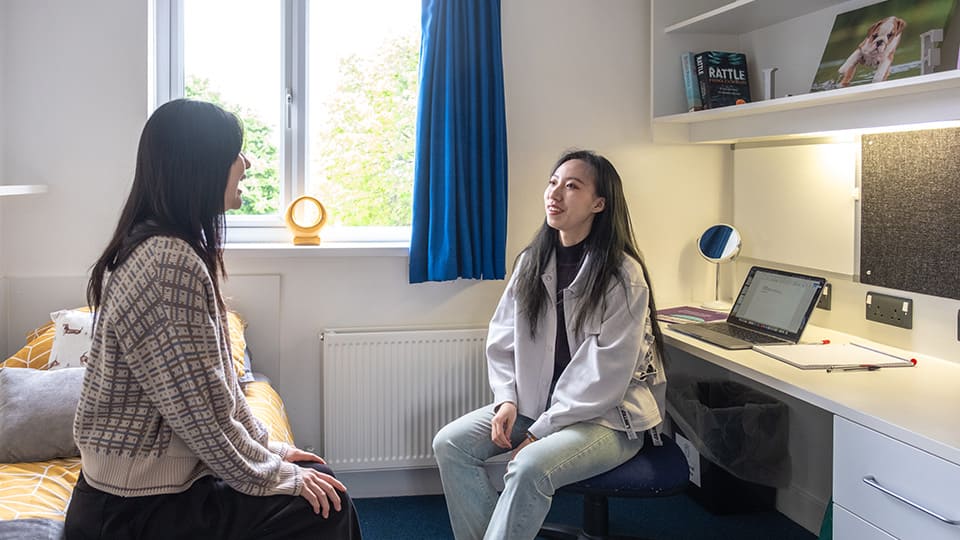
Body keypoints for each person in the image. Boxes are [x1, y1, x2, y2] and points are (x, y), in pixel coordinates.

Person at [65, 99, 362, 540]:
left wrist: (271, 449)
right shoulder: (166, 263)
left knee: (319, 477)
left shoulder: (167, 249)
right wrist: (271, 474)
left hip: (149, 492)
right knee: (325, 508)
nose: (246, 162)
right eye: (235, 153)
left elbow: (218, 390)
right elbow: (199, 413)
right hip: (130, 511)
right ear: (200, 167)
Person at [433, 149, 667, 540]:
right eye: (553, 182)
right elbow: (503, 337)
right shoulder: (532, 262)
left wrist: (540, 432)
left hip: (607, 419)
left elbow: (603, 379)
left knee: (528, 467)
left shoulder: (623, 277)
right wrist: (506, 398)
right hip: (537, 405)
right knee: (451, 445)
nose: (555, 193)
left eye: (572, 186)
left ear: (599, 203)